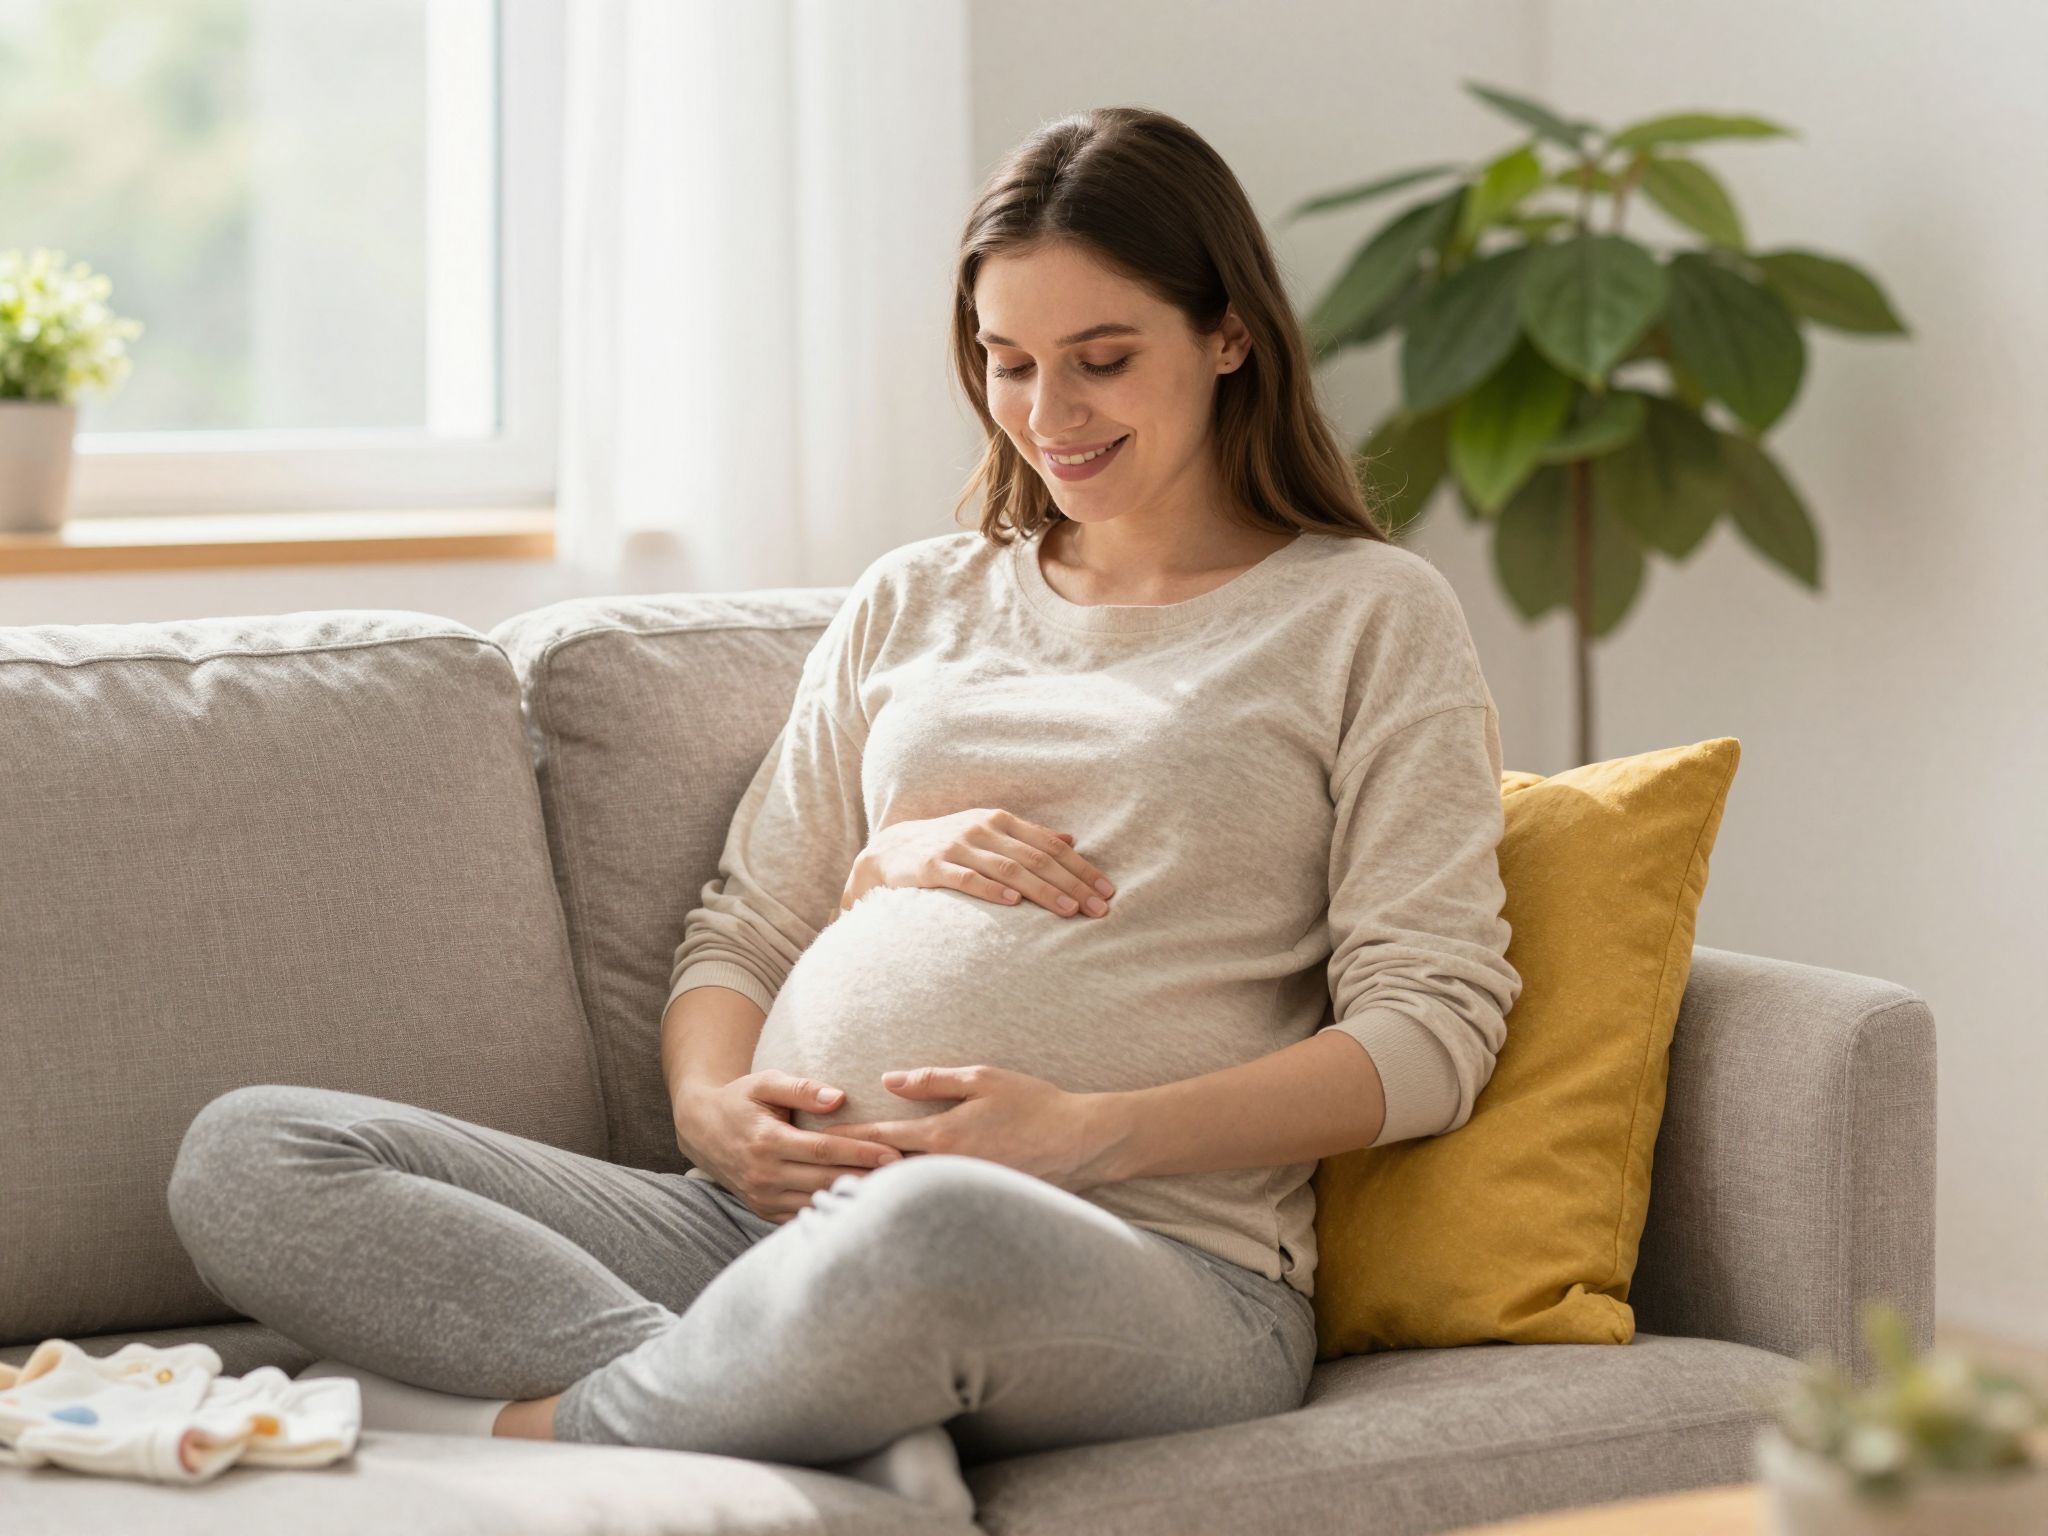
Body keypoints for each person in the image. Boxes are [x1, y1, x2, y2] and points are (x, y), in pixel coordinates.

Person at [165, 105, 1521, 1506]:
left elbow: (1430, 1034)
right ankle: (788, 1402)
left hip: (1143, 1264)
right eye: (1008, 364)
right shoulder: (914, 598)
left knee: (933, 1229)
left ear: (1228, 333)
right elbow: (743, 929)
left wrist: (1084, 1132)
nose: (1049, 415)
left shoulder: (1365, 615)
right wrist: (712, 1113)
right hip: (751, 1228)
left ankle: (550, 1433)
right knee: (257, 1153)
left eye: (1103, 361)